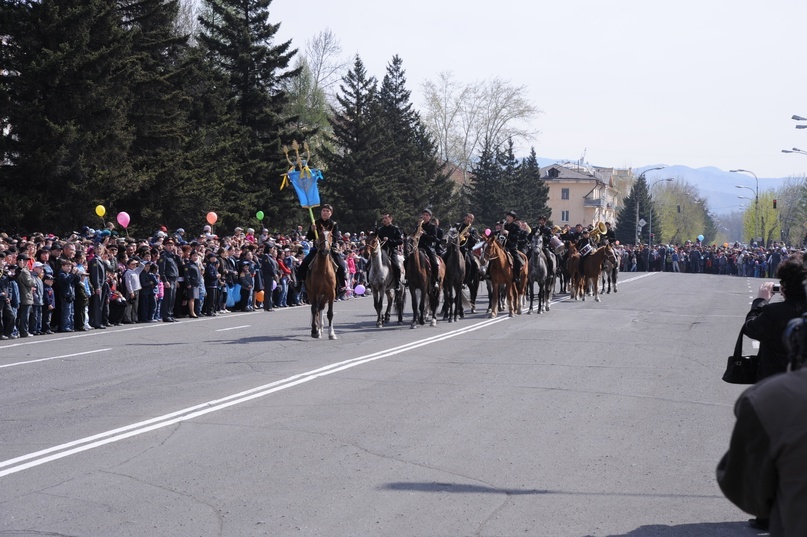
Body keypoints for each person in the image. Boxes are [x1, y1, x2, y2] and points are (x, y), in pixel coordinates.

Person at [717, 292, 807, 535]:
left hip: (774, 386)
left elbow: (738, 486)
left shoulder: (762, 400)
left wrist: (760, 301)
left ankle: (766, 516)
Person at [743, 253, 807, 381]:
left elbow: (750, 328)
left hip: (775, 383)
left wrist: (760, 301)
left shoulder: (773, 312)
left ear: (784, 287)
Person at [374, 212, 405, 289]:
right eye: (383, 218)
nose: (384, 220)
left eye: (386, 218)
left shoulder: (395, 229)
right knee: (369, 264)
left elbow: (400, 241)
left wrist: (389, 240)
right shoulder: (380, 229)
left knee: (396, 266)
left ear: (391, 219)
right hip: (382, 250)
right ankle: (370, 281)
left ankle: (397, 282)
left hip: (392, 250)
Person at [418, 209, 442, 290]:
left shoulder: (432, 226)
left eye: (427, 215)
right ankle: (408, 279)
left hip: (428, 248)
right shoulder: (419, 226)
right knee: (407, 260)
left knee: (434, 263)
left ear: (430, 217)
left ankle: (435, 280)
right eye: (423, 215)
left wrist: (424, 234)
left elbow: (434, 238)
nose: (424, 217)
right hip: (418, 247)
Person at [503, 211, 524, 283]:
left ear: (513, 219)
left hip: (512, 247)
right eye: (507, 216)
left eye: (510, 217)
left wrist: (508, 233)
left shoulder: (516, 227)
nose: (508, 218)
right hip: (503, 246)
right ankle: (489, 273)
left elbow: (516, 238)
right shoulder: (504, 225)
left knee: (517, 260)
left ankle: (516, 276)